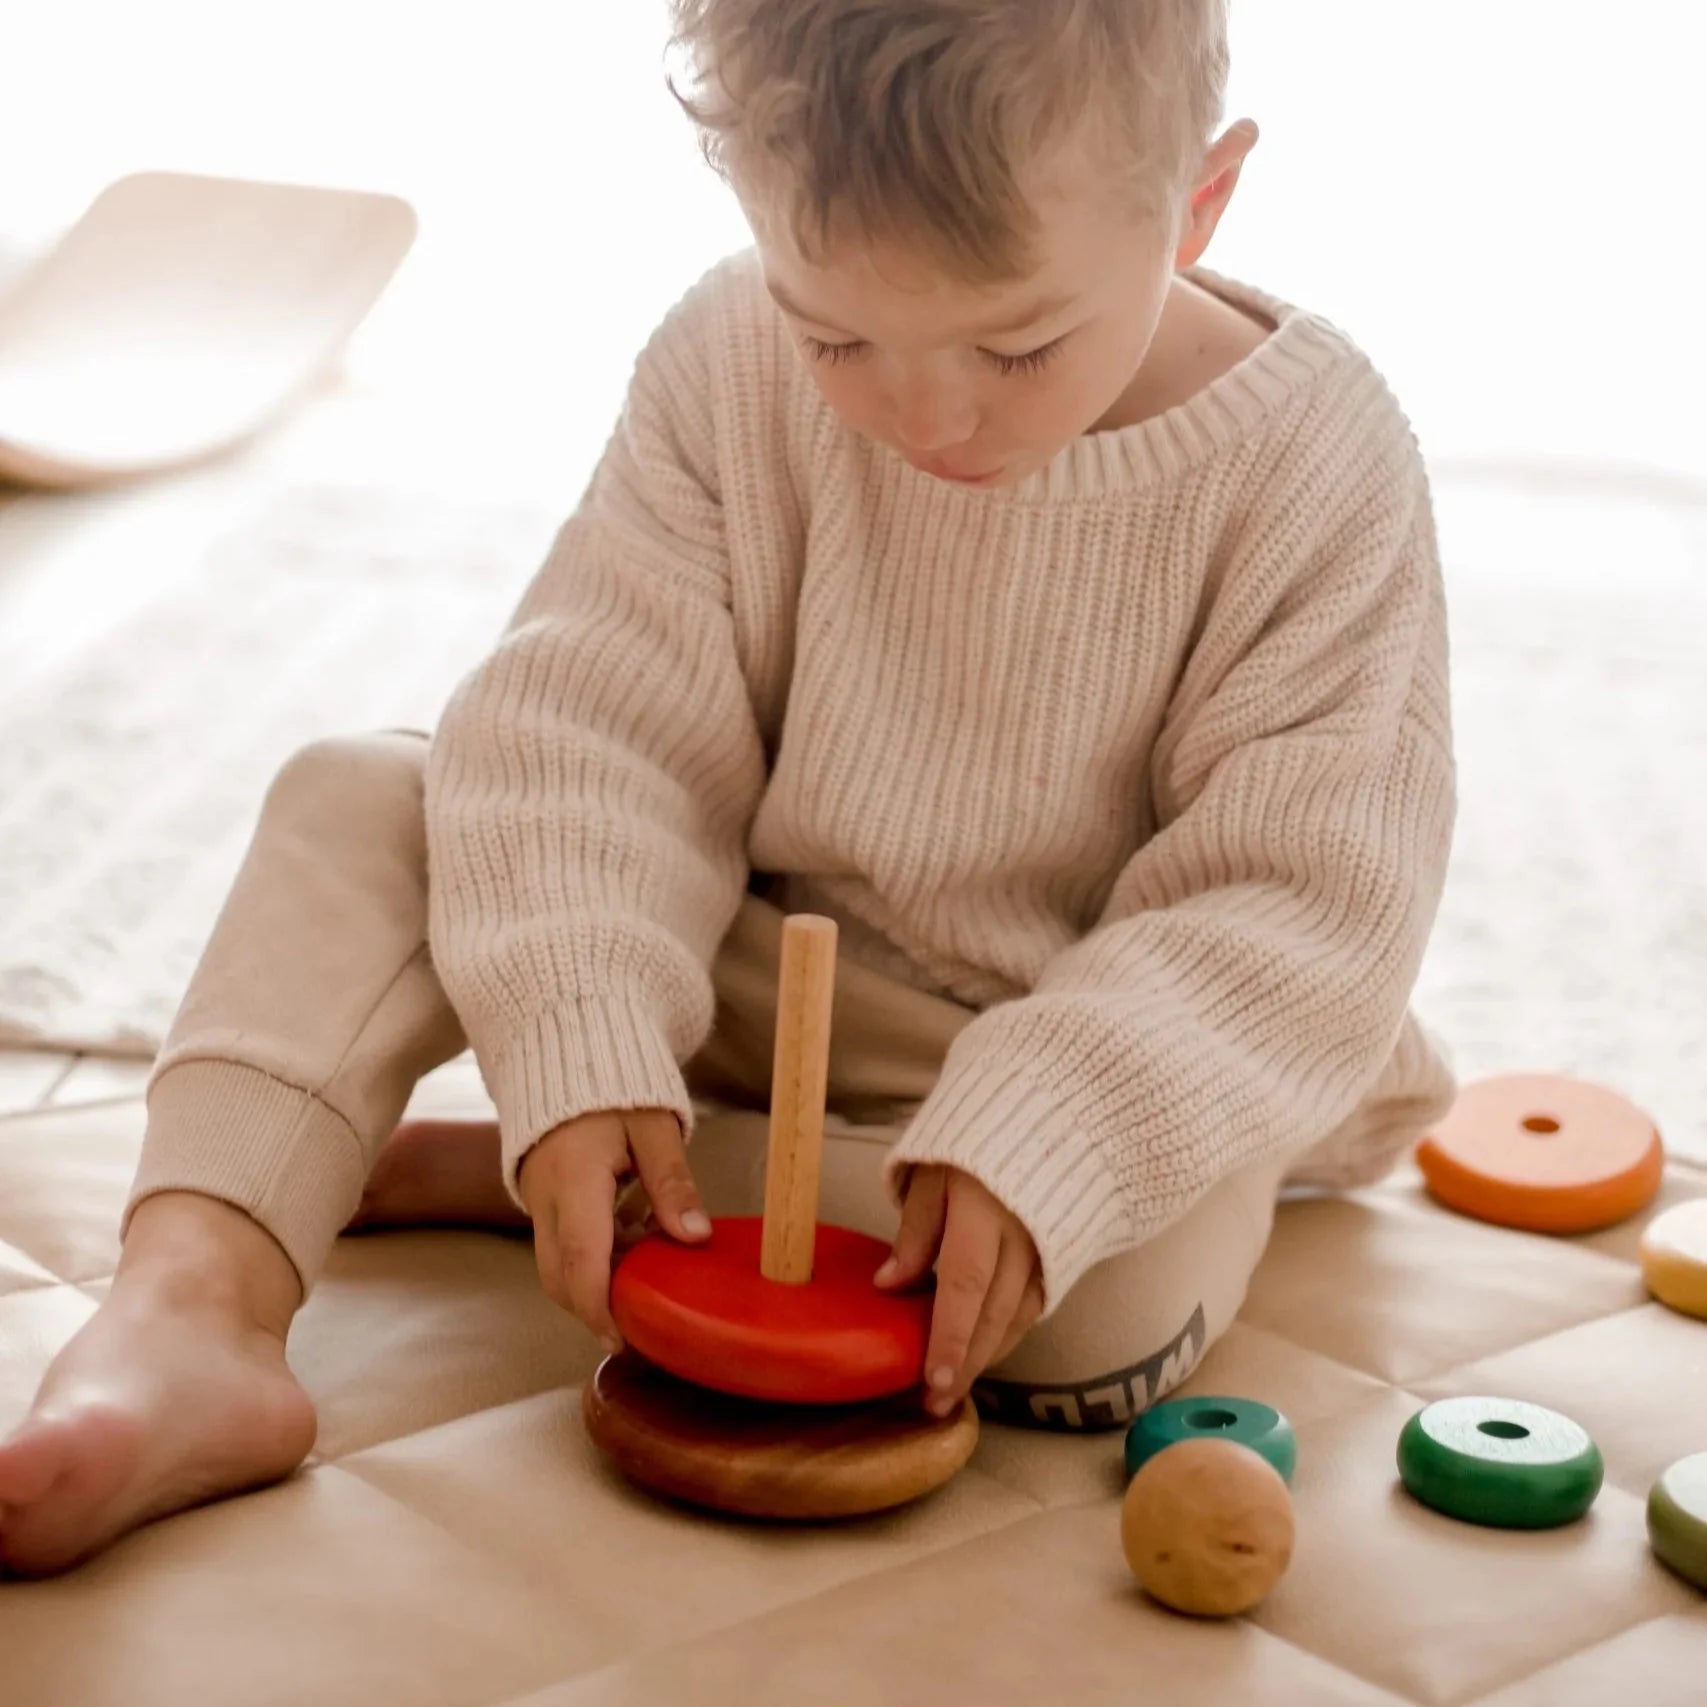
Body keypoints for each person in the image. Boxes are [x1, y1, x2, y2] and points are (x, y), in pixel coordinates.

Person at [0, 0, 1456, 1577]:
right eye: (836, 338)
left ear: (1200, 204)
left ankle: (574, 1170)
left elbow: (1296, 899)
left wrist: (1049, 1139)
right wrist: (583, 1019)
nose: (926, 417)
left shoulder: (1316, 464)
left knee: (1090, 1312)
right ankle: (195, 1308)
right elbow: (595, 729)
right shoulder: (725, 355)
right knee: (361, 799)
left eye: (1017, 345)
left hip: (1081, 1033)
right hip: (751, 962)